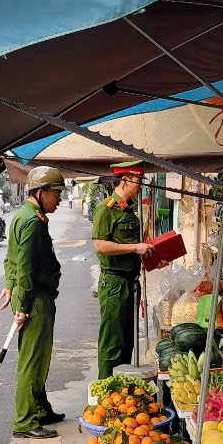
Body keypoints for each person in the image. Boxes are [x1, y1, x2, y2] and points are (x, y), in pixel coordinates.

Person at [0, 167, 67, 439]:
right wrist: (23, 307)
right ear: (41, 192)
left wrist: (8, 284)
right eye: (56, 193)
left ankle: (40, 408)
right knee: (32, 360)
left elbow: (10, 260)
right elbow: (25, 268)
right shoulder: (32, 222)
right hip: (35, 299)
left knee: (39, 358)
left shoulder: (22, 216)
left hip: (31, 296)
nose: (59, 199)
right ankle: (25, 420)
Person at [92, 161, 154, 380]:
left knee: (127, 341)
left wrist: (150, 257)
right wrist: (134, 247)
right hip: (114, 284)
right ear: (125, 179)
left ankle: (121, 390)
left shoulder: (129, 211)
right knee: (112, 343)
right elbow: (100, 245)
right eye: (138, 180)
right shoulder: (106, 209)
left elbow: (129, 250)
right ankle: (106, 392)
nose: (140, 185)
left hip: (129, 282)